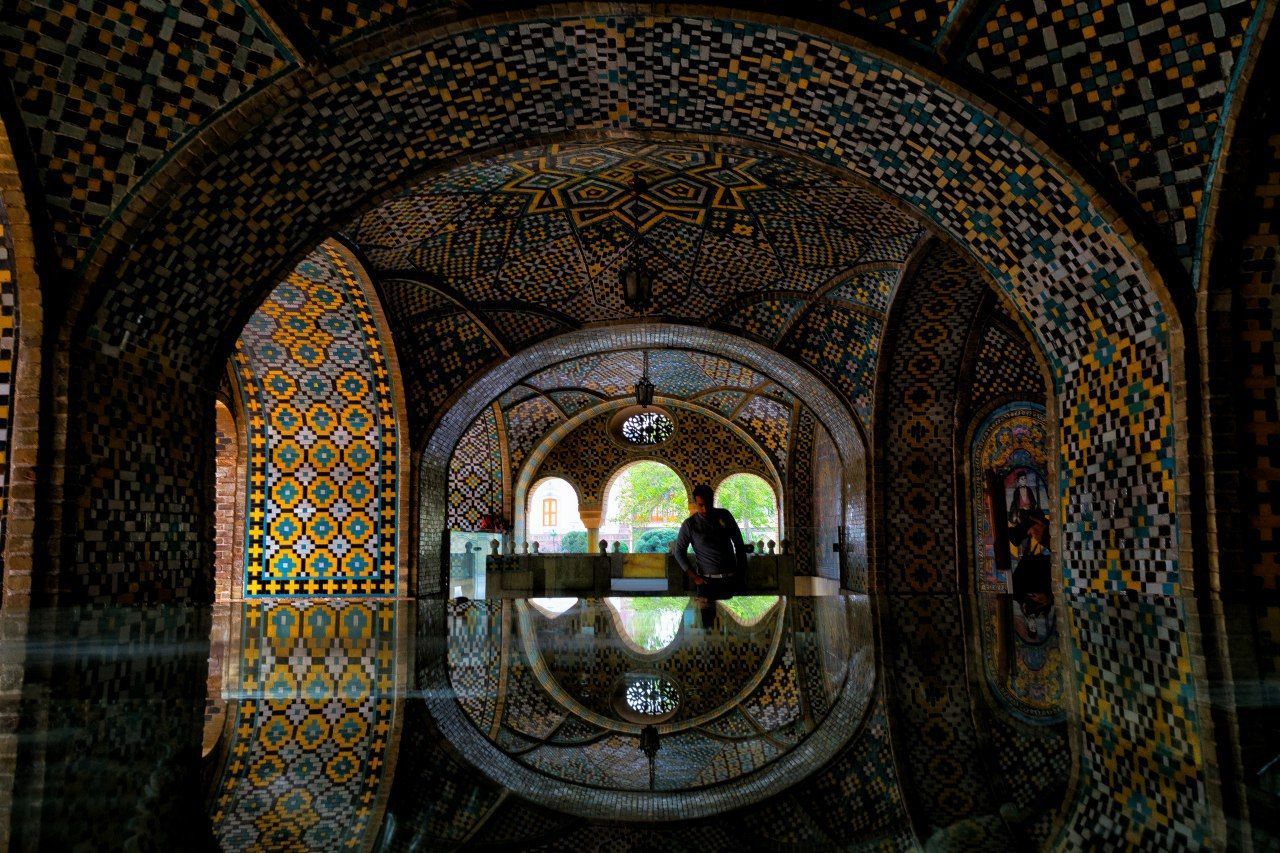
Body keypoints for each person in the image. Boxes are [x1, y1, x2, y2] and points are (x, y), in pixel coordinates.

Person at [670, 484, 749, 598]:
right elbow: (679, 552)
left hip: (731, 580)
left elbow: (739, 544)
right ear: (695, 504)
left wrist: (741, 573)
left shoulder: (725, 515)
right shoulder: (690, 524)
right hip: (706, 583)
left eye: (708, 504)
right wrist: (695, 577)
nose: (705, 509)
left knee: (729, 615)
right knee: (708, 616)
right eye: (701, 505)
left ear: (713, 500)